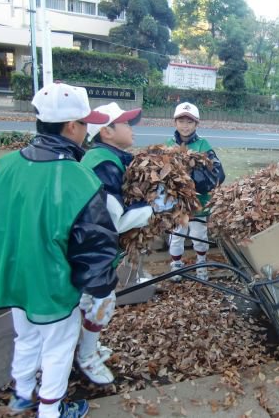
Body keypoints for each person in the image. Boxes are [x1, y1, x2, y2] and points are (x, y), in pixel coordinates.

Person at [0, 82, 118, 418]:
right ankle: (51, 412)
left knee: (25, 337)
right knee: (58, 346)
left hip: (12, 277)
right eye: (85, 123)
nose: (87, 130)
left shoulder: (5, 166)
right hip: (52, 283)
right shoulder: (77, 178)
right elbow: (92, 244)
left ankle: (22, 396)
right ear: (71, 126)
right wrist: (101, 289)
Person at [79, 102, 175, 384]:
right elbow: (114, 221)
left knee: (90, 301)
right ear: (106, 131)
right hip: (92, 249)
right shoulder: (103, 164)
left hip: (92, 248)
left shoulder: (109, 157)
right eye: (125, 124)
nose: (131, 129)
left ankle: (88, 347)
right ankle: (86, 356)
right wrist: (155, 209)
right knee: (101, 301)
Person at [165, 102, 225, 281]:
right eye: (181, 121)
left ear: (196, 124)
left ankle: (201, 263)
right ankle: (176, 263)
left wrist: (199, 178)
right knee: (176, 235)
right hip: (176, 202)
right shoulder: (168, 145)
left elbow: (217, 173)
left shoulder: (203, 145)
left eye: (190, 122)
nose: (185, 125)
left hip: (199, 202)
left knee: (199, 235)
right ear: (175, 122)